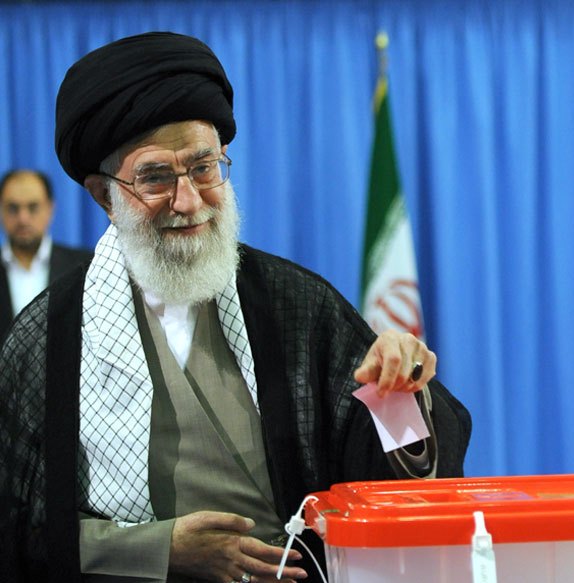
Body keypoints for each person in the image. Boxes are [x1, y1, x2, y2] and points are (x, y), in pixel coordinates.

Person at [0, 32, 471, 583]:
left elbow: (386, 476)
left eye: (204, 168)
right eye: (155, 177)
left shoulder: (294, 302)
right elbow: (18, 527)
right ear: (104, 196)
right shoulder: (51, 336)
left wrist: (398, 391)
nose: (187, 200)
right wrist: (159, 550)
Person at [0, 168, 93, 339]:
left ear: (50, 209)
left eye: (33, 207)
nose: (23, 218)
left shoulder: (84, 267)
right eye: (13, 208)